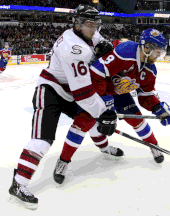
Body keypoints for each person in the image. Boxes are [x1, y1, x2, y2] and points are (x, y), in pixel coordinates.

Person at [8, 4, 120, 210]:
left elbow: (101, 41)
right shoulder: (72, 48)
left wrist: (108, 47)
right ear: (77, 24)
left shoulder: (87, 34)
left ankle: (104, 148)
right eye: (89, 23)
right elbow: (83, 93)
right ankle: (19, 184)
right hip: (51, 90)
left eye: (95, 23)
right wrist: (103, 112)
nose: (93, 27)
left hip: (70, 89)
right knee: (43, 140)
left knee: (90, 122)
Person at [53, 28, 170, 184]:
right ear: (146, 48)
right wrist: (103, 102)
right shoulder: (125, 52)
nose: (158, 56)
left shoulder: (150, 70)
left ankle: (154, 146)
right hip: (99, 87)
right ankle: (63, 161)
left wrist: (157, 107)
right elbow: (96, 73)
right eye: (157, 52)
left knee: (137, 119)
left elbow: (146, 95)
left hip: (119, 92)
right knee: (83, 123)